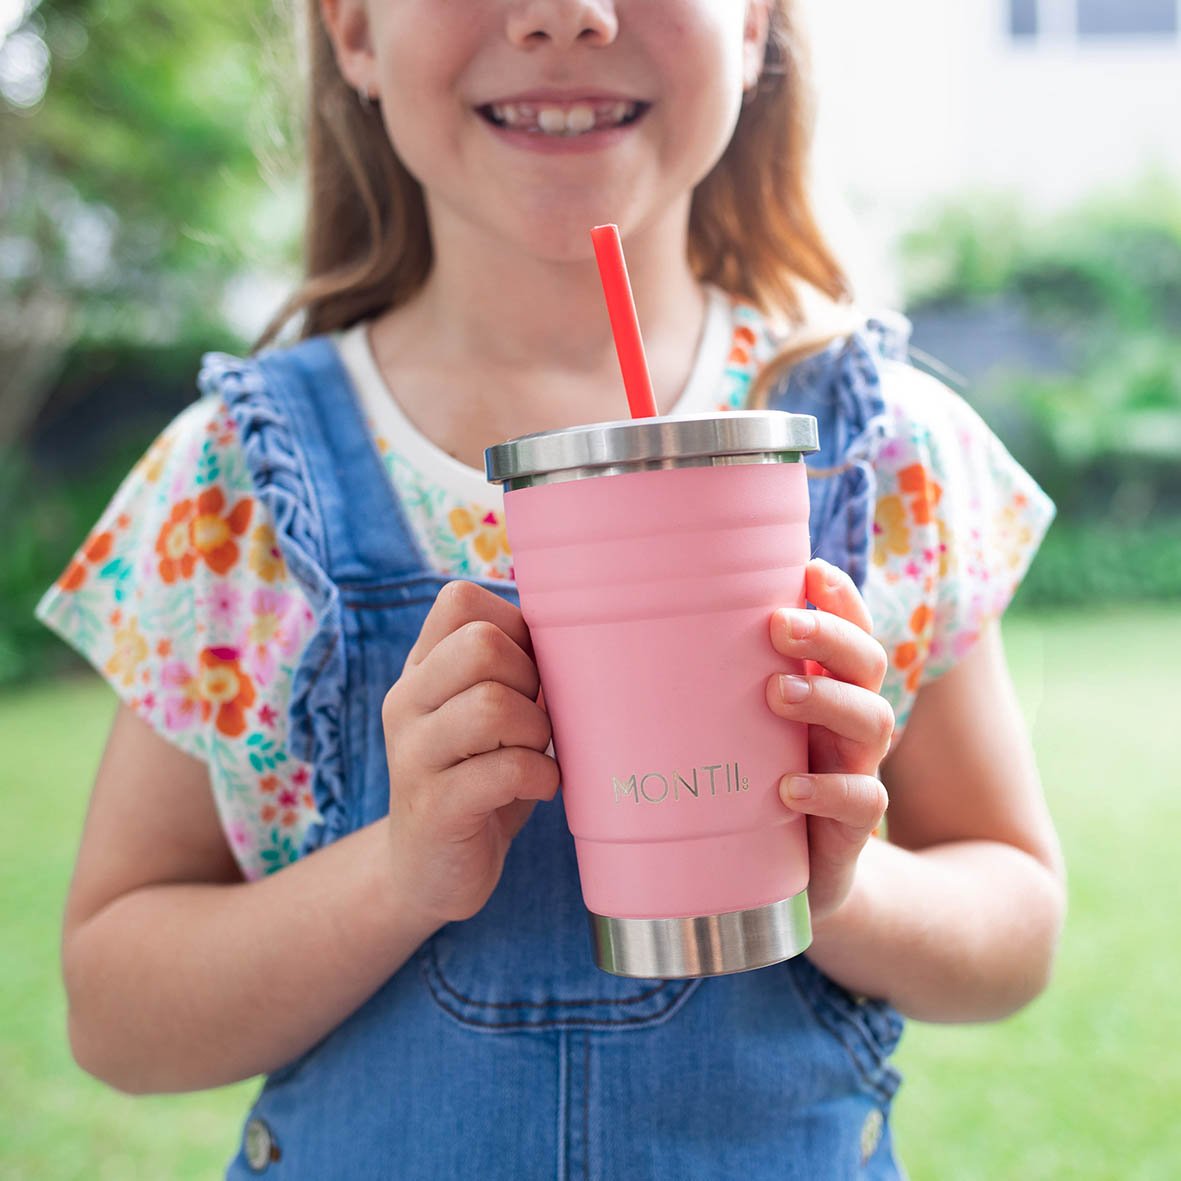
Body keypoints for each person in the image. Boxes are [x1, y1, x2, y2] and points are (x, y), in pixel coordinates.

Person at [38, 1, 1066, 1177]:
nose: (563, 12)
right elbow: (115, 1016)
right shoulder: (233, 491)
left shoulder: (880, 452)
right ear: (354, 30)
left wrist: (839, 881)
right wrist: (395, 871)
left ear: (753, 27)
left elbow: (1014, 926)